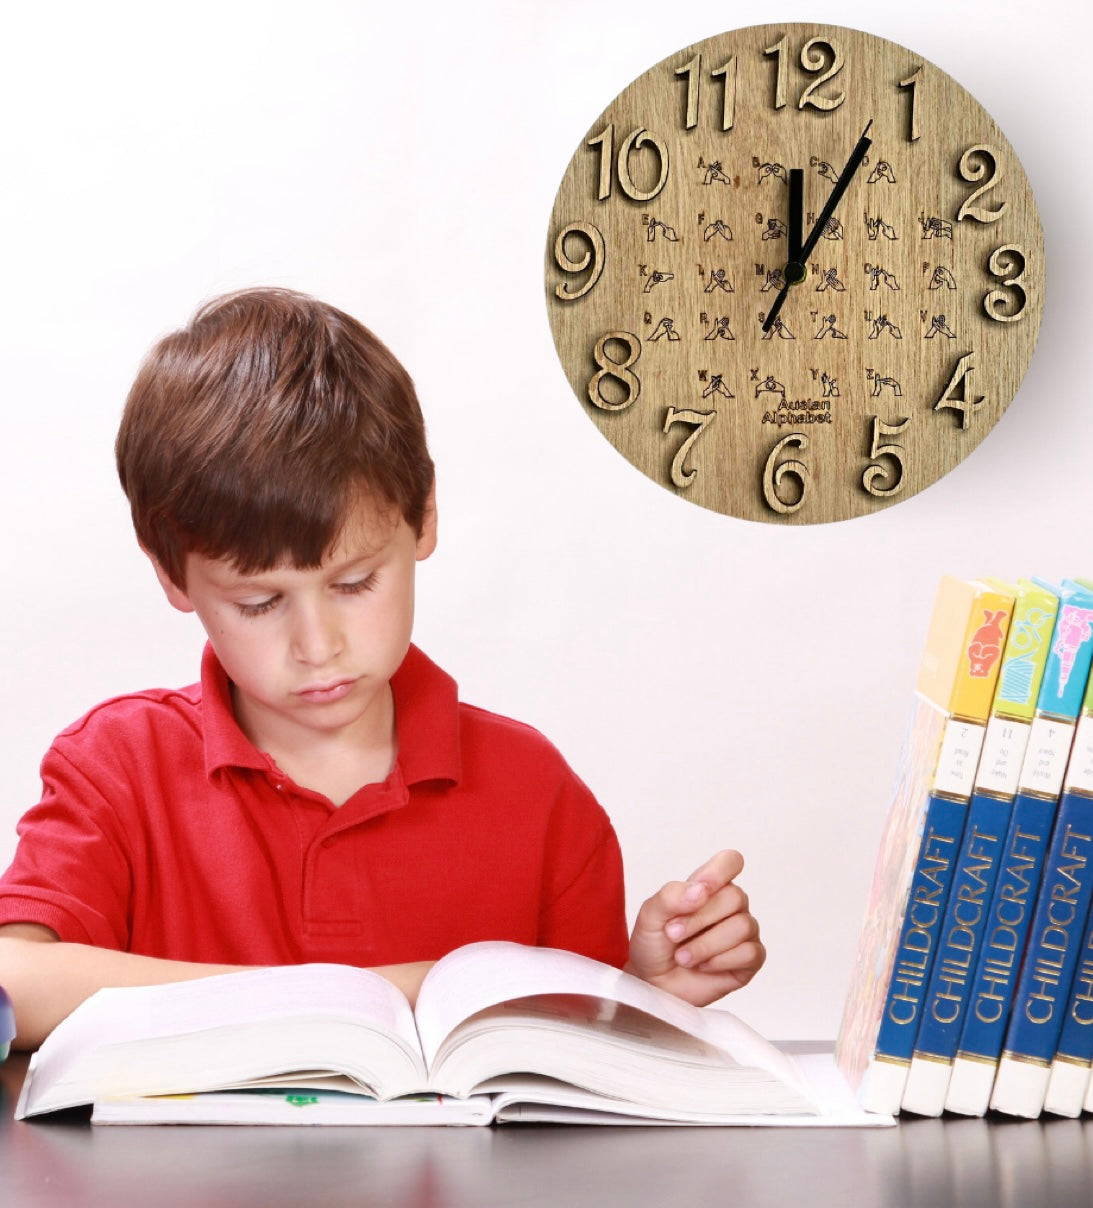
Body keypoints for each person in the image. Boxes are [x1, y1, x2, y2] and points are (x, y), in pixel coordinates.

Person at [0, 288, 764, 1049]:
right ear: (172, 576)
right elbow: (13, 984)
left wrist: (641, 993)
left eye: (355, 584)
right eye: (260, 603)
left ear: (423, 516)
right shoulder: (117, 766)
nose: (317, 646)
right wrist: (396, 992)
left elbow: (575, 1052)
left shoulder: (538, 794)